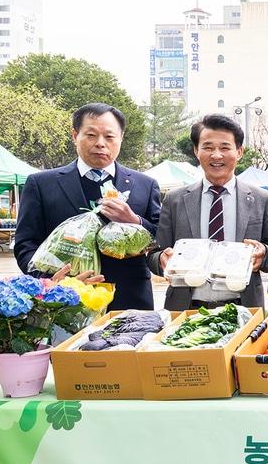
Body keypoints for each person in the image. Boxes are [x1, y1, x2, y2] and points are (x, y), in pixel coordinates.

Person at [14, 103, 161, 311]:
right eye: (91, 135)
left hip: (129, 300)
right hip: (64, 302)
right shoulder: (41, 184)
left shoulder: (145, 185)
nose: (101, 143)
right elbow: (25, 243)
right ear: (75, 136)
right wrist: (51, 280)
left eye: (109, 137)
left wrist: (135, 221)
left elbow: (160, 238)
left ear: (121, 138)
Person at [149, 114, 268, 310]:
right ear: (196, 151)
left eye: (225, 147)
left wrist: (264, 256)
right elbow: (155, 253)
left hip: (244, 308)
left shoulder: (262, 199)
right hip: (185, 308)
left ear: (239, 151)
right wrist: (162, 260)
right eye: (208, 147)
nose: (216, 155)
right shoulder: (174, 199)